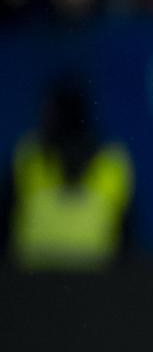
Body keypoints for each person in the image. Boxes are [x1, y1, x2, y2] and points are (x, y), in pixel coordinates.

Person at [7, 75, 133, 272]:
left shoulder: (28, 155)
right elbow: (128, 233)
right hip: (94, 267)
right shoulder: (112, 159)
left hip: (35, 269)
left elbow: (6, 218)